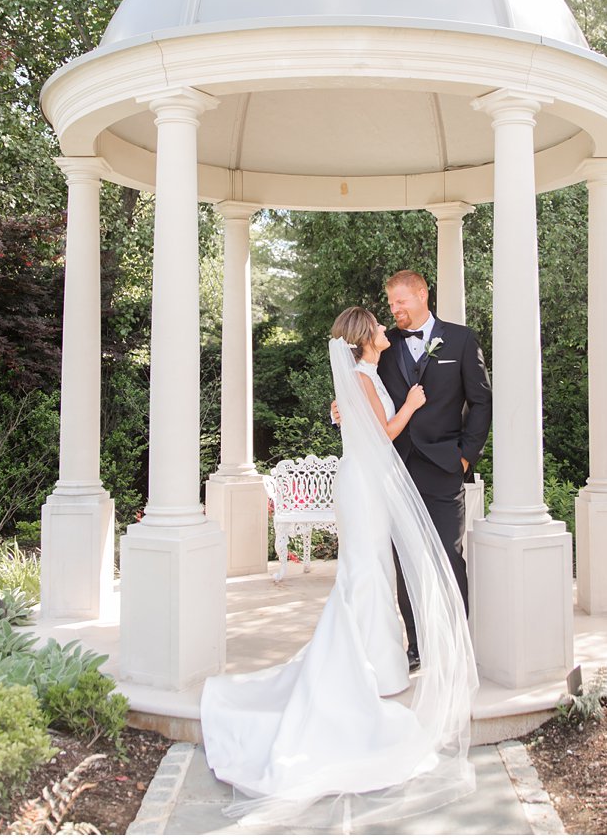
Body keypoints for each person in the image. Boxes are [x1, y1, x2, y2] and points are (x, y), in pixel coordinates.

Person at [200, 307, 478, 828]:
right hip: (367, 483)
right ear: (364, 338)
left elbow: (357, 424)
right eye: (377, 327)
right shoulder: (364, 376)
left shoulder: (362, 376)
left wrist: (349, 411)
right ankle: (370, 665)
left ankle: (374, 660)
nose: (384, 331)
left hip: (363, 480)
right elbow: (386, 434)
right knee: (368, 570)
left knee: (369, 569)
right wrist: (414, 404)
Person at [375, 269, 491, 669]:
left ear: (423, 294)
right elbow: (366, 391)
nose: (395, 309)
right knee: (406, 559)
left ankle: (456, 640)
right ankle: (416, 644)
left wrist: (465, 456)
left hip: (444, 467)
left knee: (447, 554)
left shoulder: (461, 339)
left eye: (401, 301)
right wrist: (342, 410)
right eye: (391, 303)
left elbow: (481, 401)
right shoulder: (384, 345)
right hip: (398, 469)